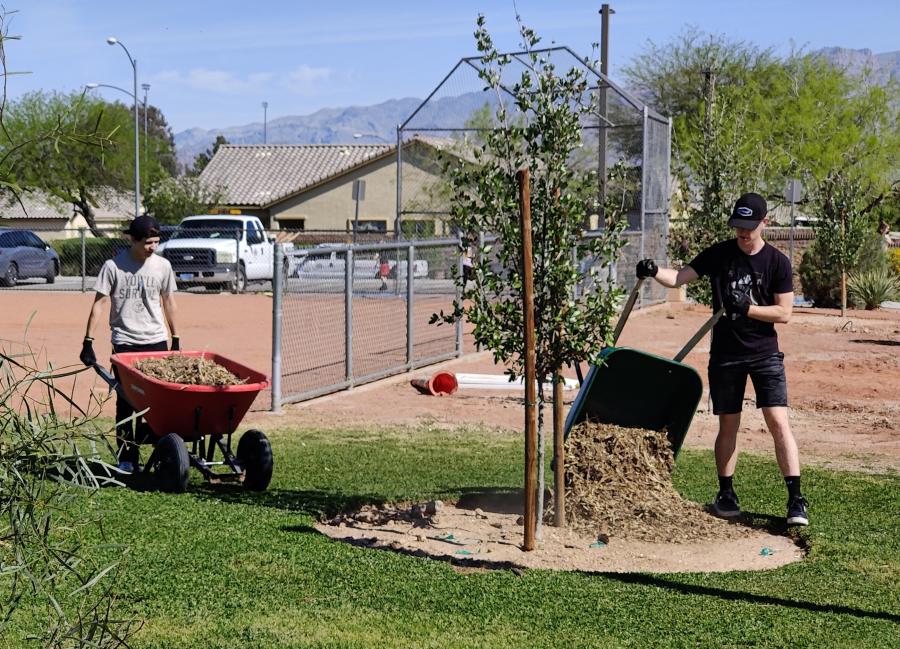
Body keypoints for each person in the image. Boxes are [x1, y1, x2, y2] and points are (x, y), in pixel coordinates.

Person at [636, 192, 809, 526]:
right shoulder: (720, 254)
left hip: (764, 354)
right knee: (728, 424)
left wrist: (747, 308)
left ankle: (795, 499)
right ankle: (726, 493)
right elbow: (678, 278)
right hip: (726, 356)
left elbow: (784, 313)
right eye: (738, 227)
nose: (743, 233)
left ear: (764, 223)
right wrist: (654, 270)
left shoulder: (777, 262)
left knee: (777, 420)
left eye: (749, 227)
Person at [79, 215, 179, 473]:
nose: (152, 247)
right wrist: (88, 341)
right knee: (126, 401)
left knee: (159, 402)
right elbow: (100, 304)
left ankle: (162, 451)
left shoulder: (163, 266)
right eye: (148, 242)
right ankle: (127, 458)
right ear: (132, 239)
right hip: (125, 344)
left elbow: (169, 302)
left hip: (156, 341)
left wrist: (175, 337)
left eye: (156, 242)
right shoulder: (113, 266)